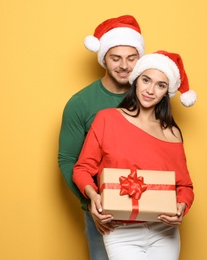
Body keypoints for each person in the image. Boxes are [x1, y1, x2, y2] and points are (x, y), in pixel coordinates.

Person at [72, 50, 197, 260]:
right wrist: (93, 197)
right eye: (146, 80)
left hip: (164, 231)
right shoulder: (107, 119)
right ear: (136, 81)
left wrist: (181, 207)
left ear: (167, 92)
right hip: (120, 228)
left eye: (160, 85)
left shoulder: (172, 133)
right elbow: (82, 168)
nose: (150, 90)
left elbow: (185, 186)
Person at [58, 15, 145, 260]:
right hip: (103, 209)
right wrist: (90, 204)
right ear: (103, 58)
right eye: (115, 58)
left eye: (131, 58)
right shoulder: (81, 103)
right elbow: (67, 160)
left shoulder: (150, 97)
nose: (124, 66)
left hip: (150, 207)